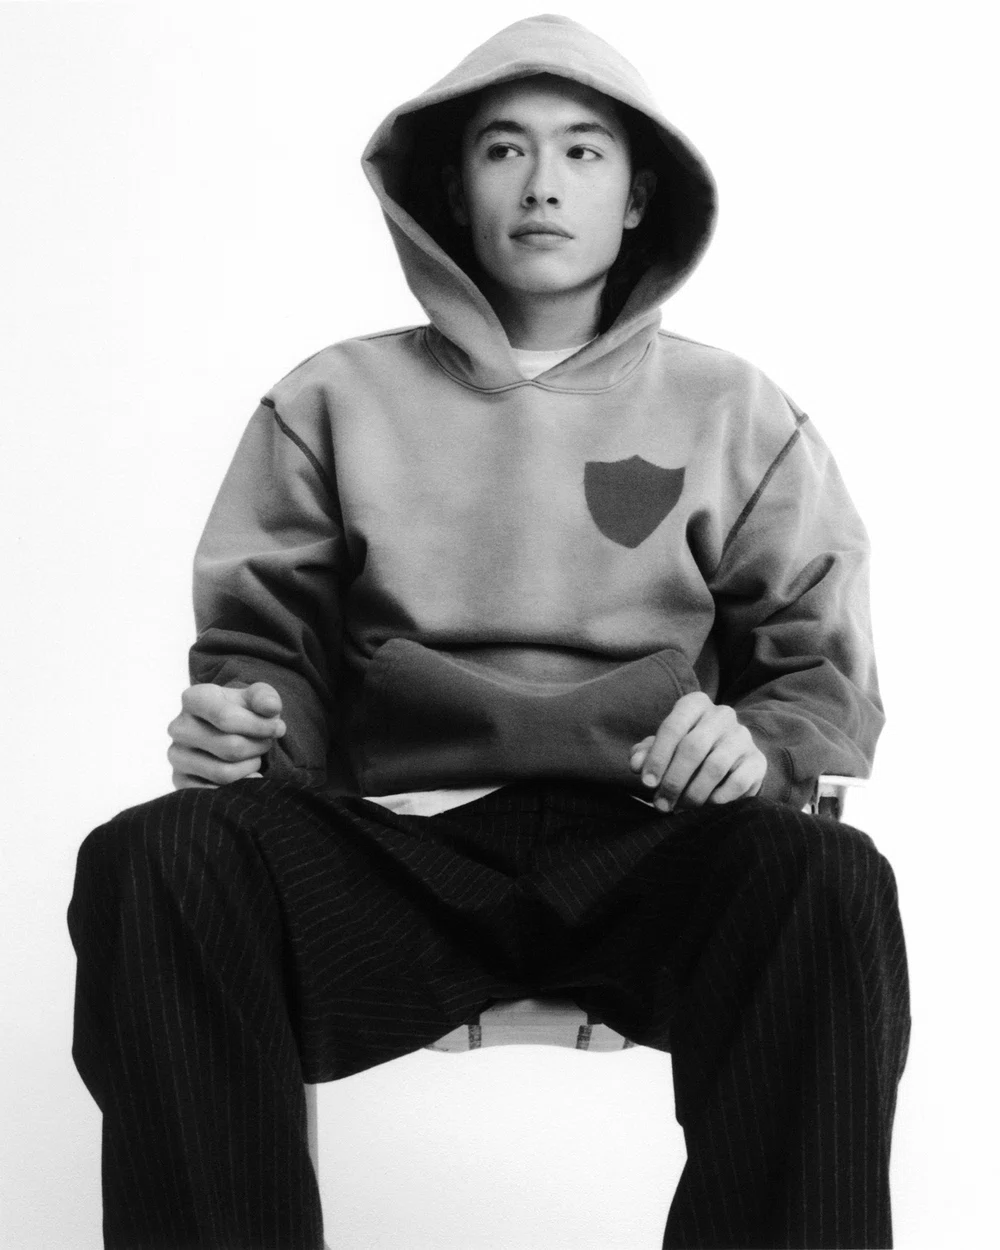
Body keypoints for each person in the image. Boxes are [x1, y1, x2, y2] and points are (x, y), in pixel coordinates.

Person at [68, 14, 911, 1250]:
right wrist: (247, 722)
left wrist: (760, 742)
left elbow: (816, 664)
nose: (541, 184)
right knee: (153, 858)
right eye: (503, 150)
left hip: (649, 844)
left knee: (831, 880)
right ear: (452, 192)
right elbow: (266, 650)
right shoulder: (332, 398)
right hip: (399, 851)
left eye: (582, 151)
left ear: (637, 198)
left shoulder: (736, 409)